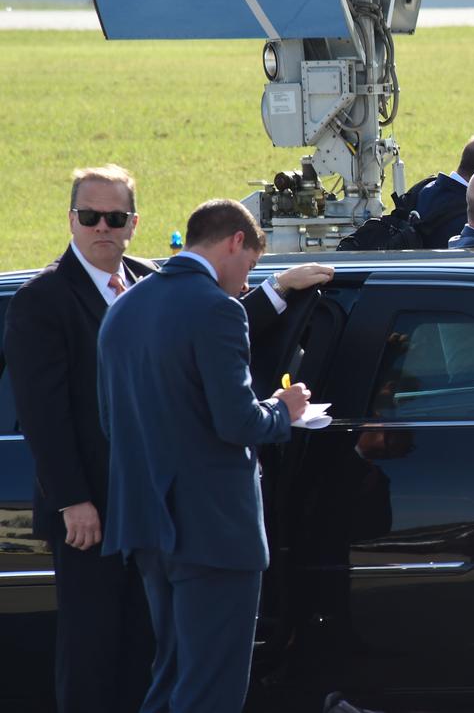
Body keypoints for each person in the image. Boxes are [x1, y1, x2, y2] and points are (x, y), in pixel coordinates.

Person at [2, 165, 331, 713]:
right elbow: (43, 415)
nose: (102, 227)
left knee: (156, 662)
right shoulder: (44, 298)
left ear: (134, 223)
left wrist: (274, 290)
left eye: (114, 217)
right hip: (95, 508)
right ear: (71, 220)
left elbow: (202, 332)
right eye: (90, 217)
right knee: (95, 650)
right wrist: (73, 499)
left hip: (146, 514)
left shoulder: (140, 286)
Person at [97, 199, 314, 713]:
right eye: (251, 266)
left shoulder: (123, 306)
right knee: (210, 686)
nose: (245, 282)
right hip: (212, 531)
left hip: (149, 526)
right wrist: (285, 410)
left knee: (171, 677)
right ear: (235, 241)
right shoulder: (218, 309)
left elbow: (110, 422)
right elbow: (238, 422)